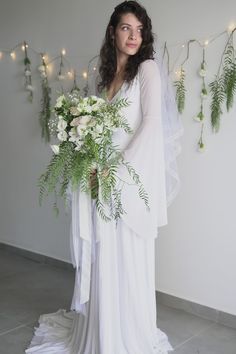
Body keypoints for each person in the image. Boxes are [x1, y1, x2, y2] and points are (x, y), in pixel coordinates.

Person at [26, 1, 178, 353]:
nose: (134, 36)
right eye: (126, 28)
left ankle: (124, 336)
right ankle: (101, 329)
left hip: (124, 177)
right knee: (103, 254)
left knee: (125, 256)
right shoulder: (108, 76)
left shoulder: (149, 70)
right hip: (98, 177)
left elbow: (152, 124)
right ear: (113, 32)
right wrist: (89, 159)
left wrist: (116, 169)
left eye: (140, 30)